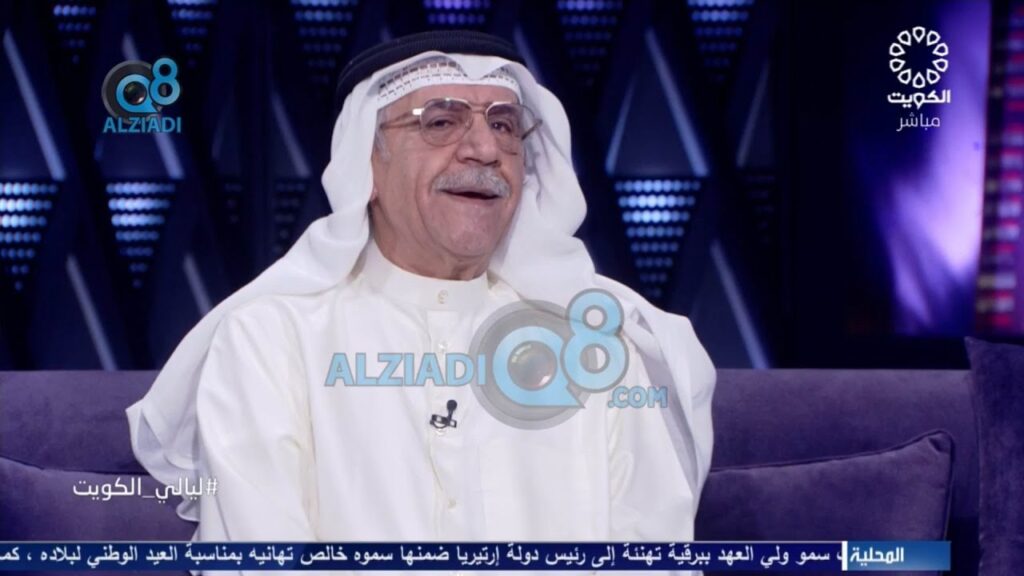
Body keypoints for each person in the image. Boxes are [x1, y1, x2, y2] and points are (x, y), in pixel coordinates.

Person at [126, 30, 715, 574]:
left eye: (505, 125)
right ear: (367, 164)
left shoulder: (598, 348)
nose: (484, 148)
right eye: (441, 122)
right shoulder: (271, 341)